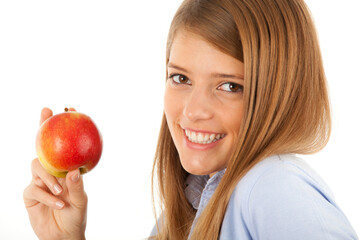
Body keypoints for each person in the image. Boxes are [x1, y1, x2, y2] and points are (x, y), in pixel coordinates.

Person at [24, 0, 358, 239]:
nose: (194, 110)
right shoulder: (187, 209)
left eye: (230, 86)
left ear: (280, 94)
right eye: (181, 79)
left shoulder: (271, 184)